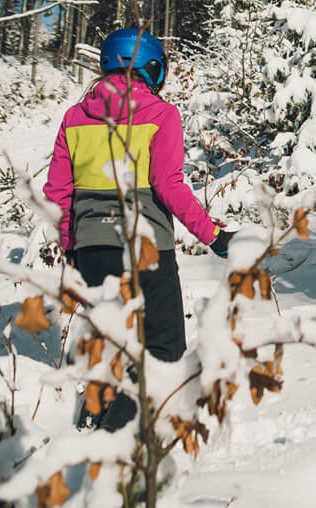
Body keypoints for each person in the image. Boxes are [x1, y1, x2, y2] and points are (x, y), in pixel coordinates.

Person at [43, 28, 235, 431]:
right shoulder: (161, 115)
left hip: (93, 249)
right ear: (152, 69)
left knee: (113, 338)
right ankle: (119, 438)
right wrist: (212, 235)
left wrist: (71, 246)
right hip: (146, 246)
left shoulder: (75, 118)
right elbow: (168, 185)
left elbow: (58, 191)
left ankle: (93, 419)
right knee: (163, 346)